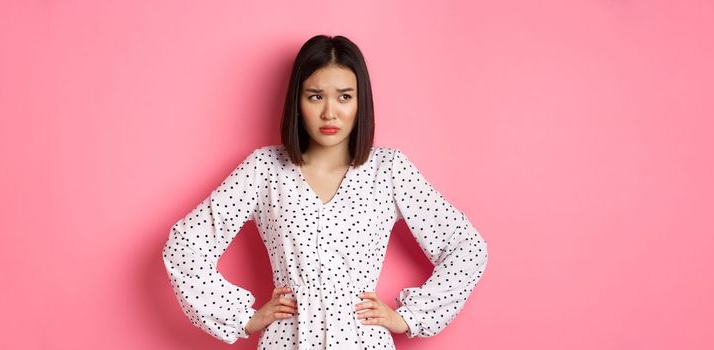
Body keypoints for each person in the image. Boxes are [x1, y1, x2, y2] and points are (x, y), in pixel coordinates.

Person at [161, 34, 489, 349]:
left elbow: (466, 248)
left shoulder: (389, 169)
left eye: (344, 97)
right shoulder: (264, 169)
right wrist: (241, 317)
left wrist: (409, 317)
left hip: (364, 341)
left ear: (361, 103)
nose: (329, 112)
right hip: (287, 340)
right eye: (315, 96)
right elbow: (185, 245)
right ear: (297, 101)